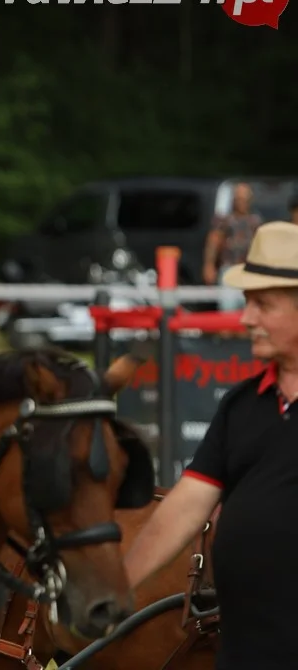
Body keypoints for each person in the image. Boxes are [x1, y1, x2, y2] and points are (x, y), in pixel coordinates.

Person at [124, 220, 298, 669]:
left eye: (263, 304)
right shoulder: (242, 406)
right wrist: (117, 589)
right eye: (246, 303)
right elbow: (185, 507)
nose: (246, 319)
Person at [203, 181, 262, 311]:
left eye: (245, 199)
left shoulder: (255, 220)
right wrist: (209, 265)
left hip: (249, 269)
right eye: (239, 198)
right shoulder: (224, 220)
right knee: (227, 307)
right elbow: (213, 241)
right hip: (228, 268)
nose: (242, 202)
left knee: (246, 307)